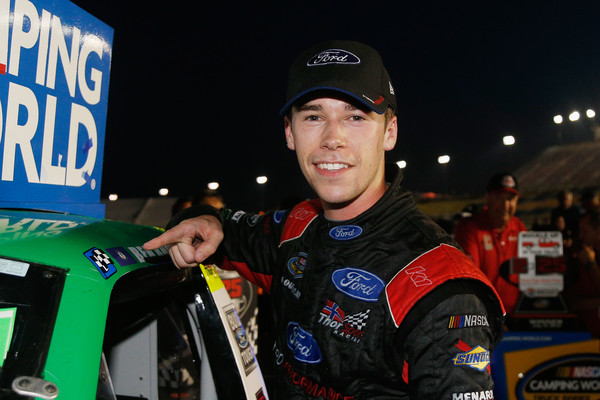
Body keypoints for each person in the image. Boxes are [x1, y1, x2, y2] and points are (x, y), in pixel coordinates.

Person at [144, 40, 505, 399]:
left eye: (355, 117)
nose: (333, 138)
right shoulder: (295, 226)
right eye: (314, 117)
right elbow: (220, 227)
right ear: (290, 132)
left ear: (389, 132)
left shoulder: (442, 289)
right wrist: (202, 217)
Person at [454, 172, 527, 316]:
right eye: (499, 197)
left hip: (517, 316)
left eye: (510, 199)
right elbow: (469, 279)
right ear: (487, 198)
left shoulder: (519, 227)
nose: (505, 205)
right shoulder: (470, 228)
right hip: (482, 316)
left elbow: (529, 271)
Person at [564, 208, 600, 337]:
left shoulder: (588, 261)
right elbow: (572, 303)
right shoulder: (577, 261)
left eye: (585, 231)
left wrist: (591, 264)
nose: (580, 236)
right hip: (587, 338)